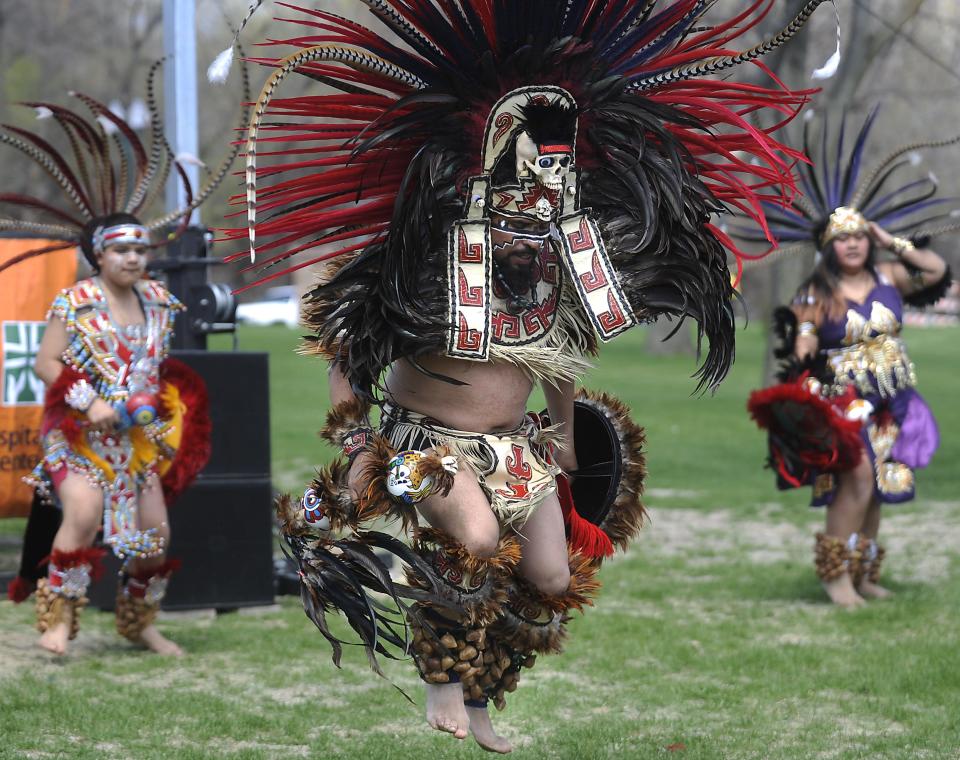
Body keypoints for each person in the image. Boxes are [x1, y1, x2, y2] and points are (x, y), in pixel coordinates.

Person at [230, 0, 830, 752]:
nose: (539, 208)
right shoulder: (427, 255)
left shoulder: (560, 263)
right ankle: (440, 678)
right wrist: (357, 447)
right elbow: (346, 349)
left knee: (548, 578)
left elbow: (562, 356)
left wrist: (569, 433)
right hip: (428, 445)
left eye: (554, 187)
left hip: (518, 448)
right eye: (528, 189)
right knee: (476, 539)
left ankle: (482, 692)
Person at [0, 64, 244, 653]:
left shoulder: (160, 301)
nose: (135, 257)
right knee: (81, 516)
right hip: (79, 436)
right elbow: (46, 364)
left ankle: (140, 625)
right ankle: (58, 621)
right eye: (123, 249)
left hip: (138, 440)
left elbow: (162, 371)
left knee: (155, 538)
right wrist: (93, 402)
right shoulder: (76, 301)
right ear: (98, 256)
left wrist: (160, 411)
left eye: (141, 247)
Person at [746, 110, 954, 608]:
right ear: (828, 247)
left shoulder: (890, 277)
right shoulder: (816, 293)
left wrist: (891, 241)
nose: (854, 243)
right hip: (845, 399)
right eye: (844, 237)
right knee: (856, 478)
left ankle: (863, 573)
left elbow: (937, 268)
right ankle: (835, 574)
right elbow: (802, 342)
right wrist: (803, 354)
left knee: (881, 483)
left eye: (860, 235)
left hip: (894, 394)